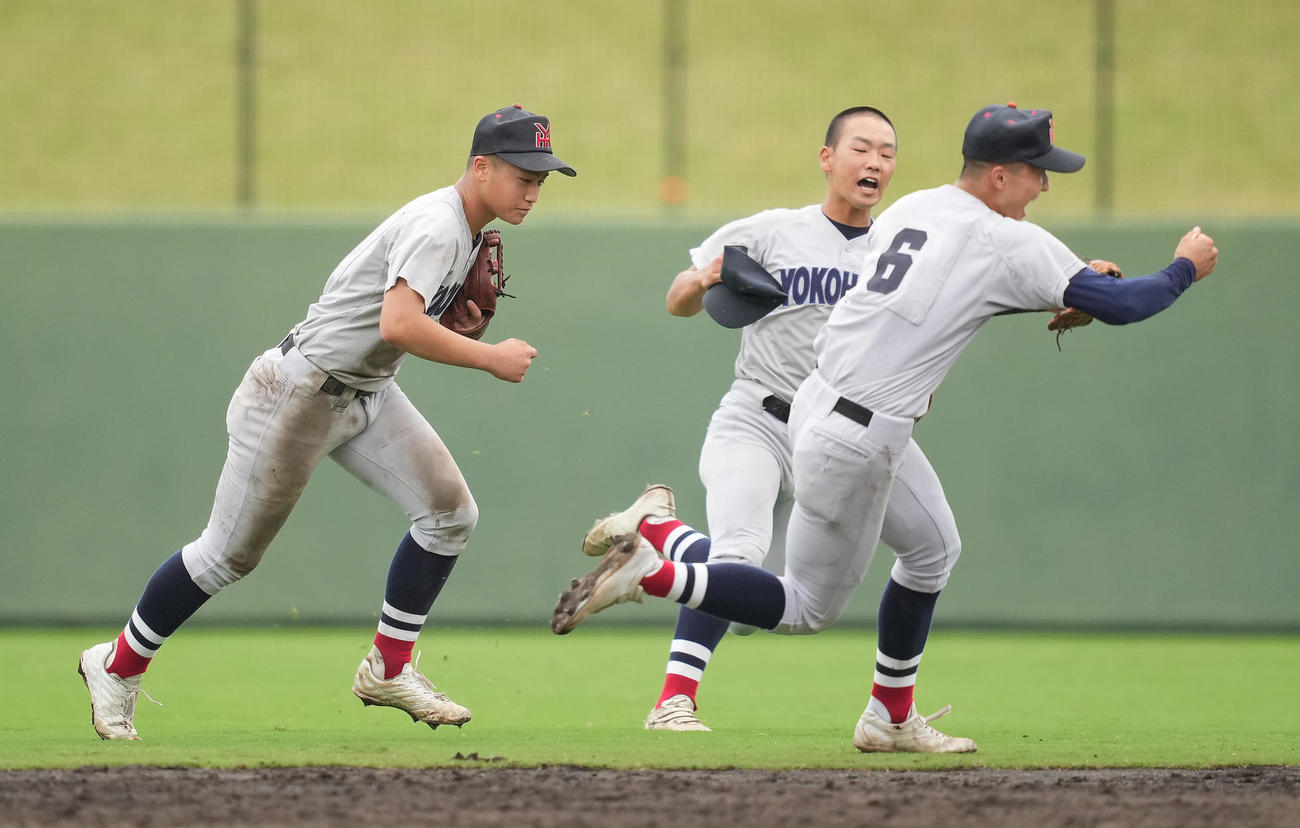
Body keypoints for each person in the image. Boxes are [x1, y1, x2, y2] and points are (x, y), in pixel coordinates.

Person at [555, 102, 1218, 753]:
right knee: (801, 608)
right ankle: (654, 572)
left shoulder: (914, 209)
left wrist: (1065, 290)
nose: (1044, 185)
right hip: (850, 435)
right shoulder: (1007, 238)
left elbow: (943, 296)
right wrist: (1185, 264)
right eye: (1037, 171)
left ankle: (890, 717)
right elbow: (1129, 304)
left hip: (827, 405)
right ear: (998, 175)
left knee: (934, 551)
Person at [78, 104, 576, 741]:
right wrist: (489, 358)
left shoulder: (467, 230)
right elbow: (398, 324)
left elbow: (396, 324)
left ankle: (388, 669)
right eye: (523, 176)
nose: (532, 192)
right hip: (297, 395)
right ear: (481, 167)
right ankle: (115, 665)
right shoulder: (439, 226)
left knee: (450, 515)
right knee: (227, 557)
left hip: (367, 391)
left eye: (540, 181)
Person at [582, 107, 960, 734]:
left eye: (888, 153)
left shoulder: (896, 253)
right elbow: (678, 301)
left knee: (758, 605)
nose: (875, 162)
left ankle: (658, 530)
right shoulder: (773, 231)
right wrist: (703, 278)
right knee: (738, 559)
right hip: (759, 418)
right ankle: (674, 700)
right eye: (862, 148)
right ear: (827, 158)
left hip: (845, 434)